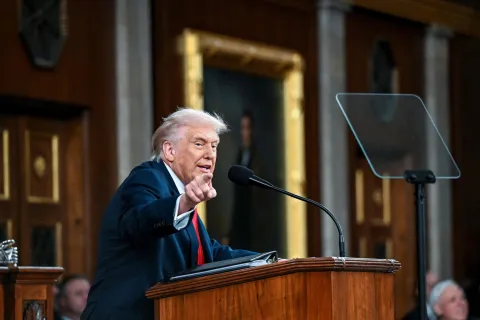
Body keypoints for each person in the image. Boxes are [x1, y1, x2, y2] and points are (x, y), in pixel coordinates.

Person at [81, 108, 257, 320]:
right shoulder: (147, 178)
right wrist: (184, 203)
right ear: (169, 151)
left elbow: (210, 254)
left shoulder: (181, 194)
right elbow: (141, 220)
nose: (210, 154)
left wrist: (270, 262)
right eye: (199, 144)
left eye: (214, 146)